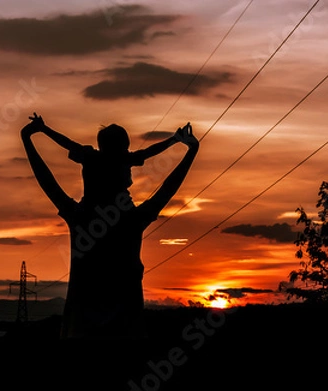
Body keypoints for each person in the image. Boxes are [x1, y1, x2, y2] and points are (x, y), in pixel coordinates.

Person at [21, 115, 199, 338]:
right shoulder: (132, 220)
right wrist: (188, 148)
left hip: (81, 337)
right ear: (126, 176)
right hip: (126, 339)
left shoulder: (81, 218)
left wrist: (31, 137)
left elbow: (47, 179)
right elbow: (167, 187)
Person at [21, 113, 181, 206]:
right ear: (124, 145)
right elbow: (149, 152)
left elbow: (67, 143)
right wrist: (175, 139)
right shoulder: (123, 158)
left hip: (90, 207)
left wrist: (44, 129)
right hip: (119, 209)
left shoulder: (91, 156)